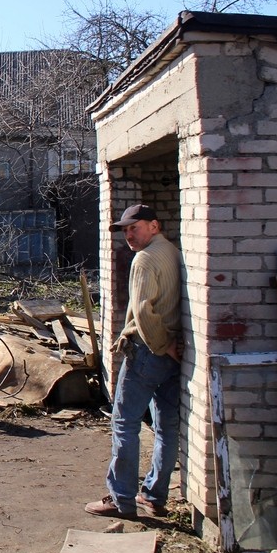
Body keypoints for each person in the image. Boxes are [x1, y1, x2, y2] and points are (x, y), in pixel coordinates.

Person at [85, 204, 183, 518]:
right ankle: (154, 496)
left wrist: (162, 344)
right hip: (171, 355)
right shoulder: (172, 251)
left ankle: (121, 499)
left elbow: (143, 312)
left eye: (135, 227)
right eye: (125, 229)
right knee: (167, 427)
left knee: (124, 422)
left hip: (149, 350)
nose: (129, 234)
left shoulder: (144, 259)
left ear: (154, 225)